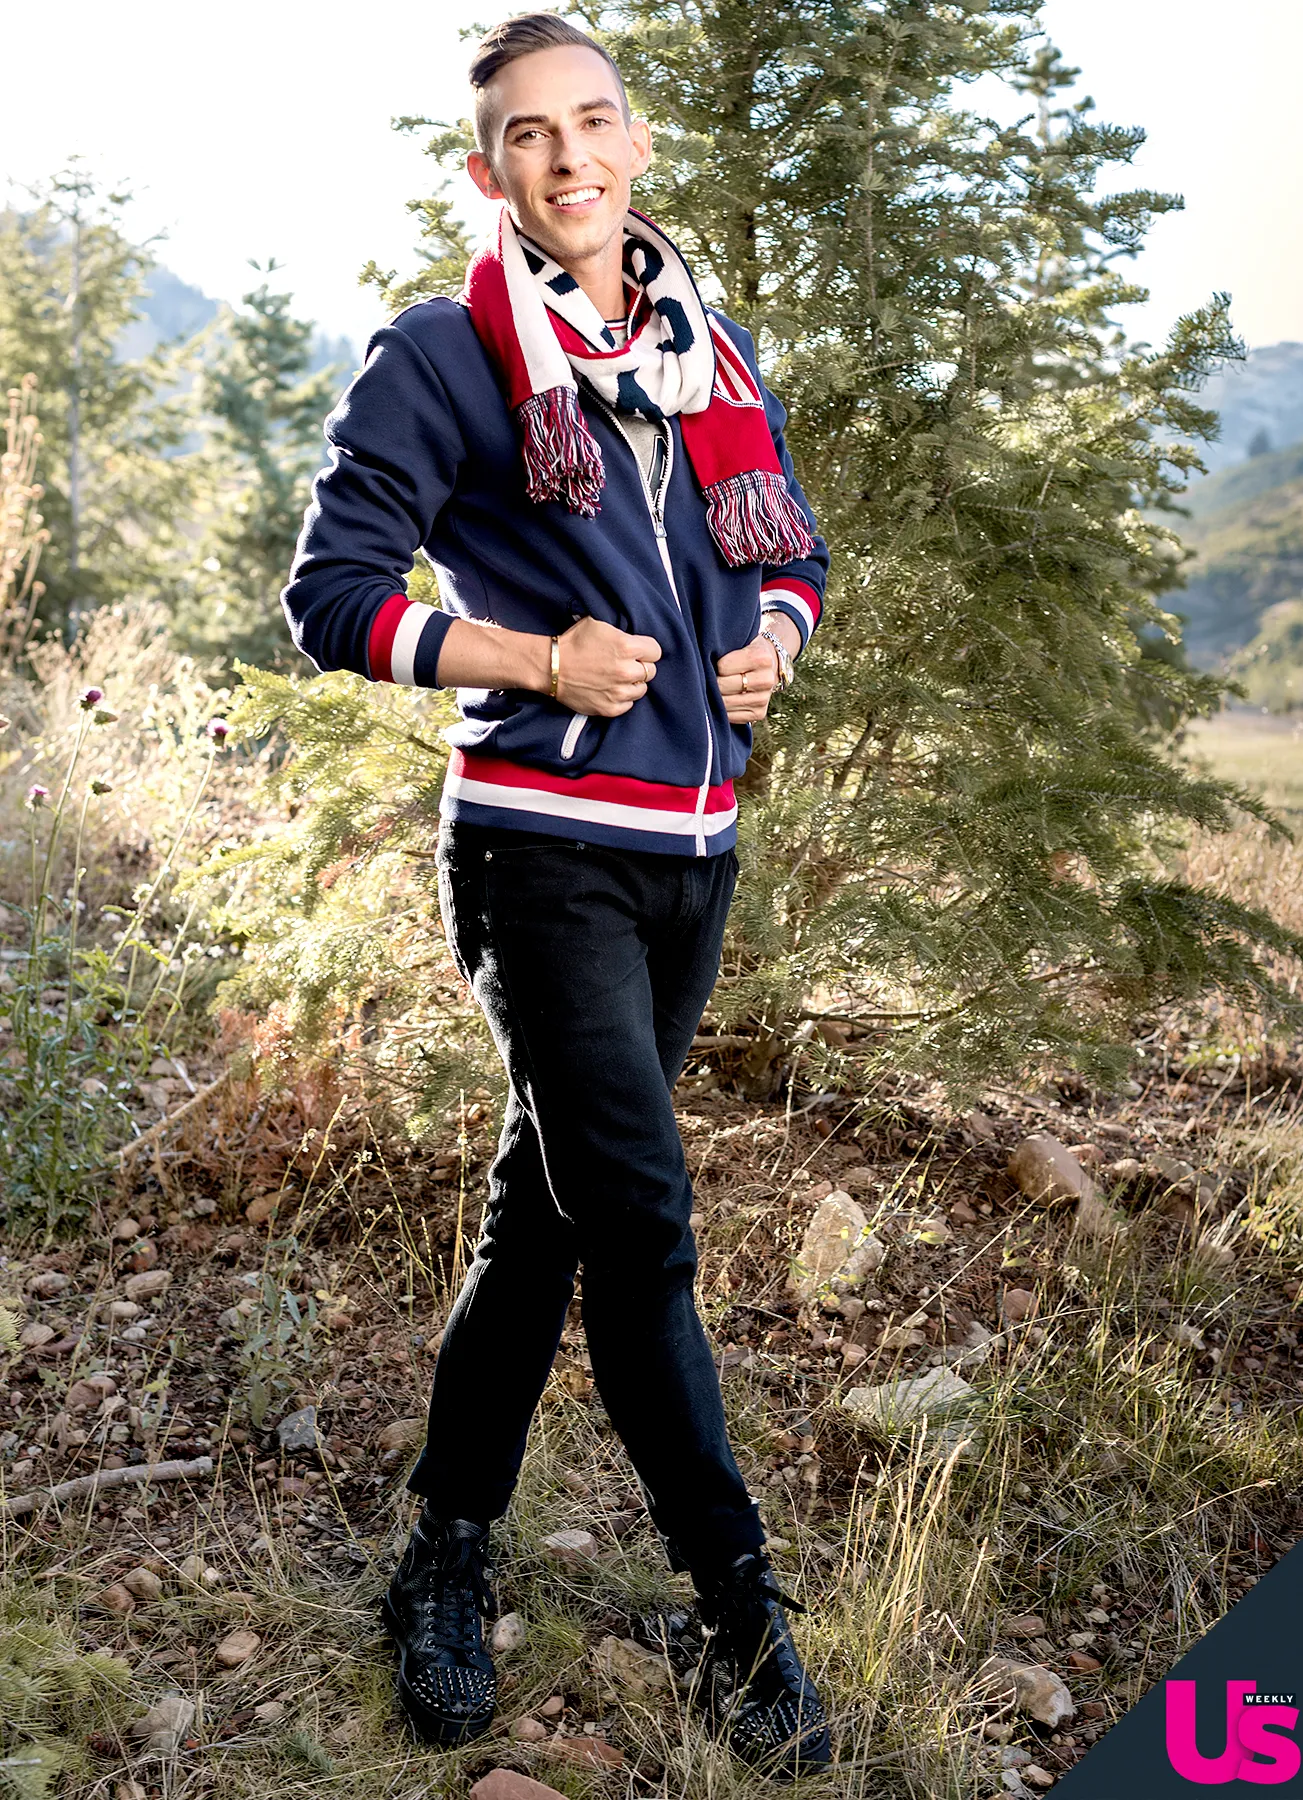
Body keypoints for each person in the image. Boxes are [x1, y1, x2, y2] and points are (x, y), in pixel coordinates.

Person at [281, 11, 830, 1778]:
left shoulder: (706, 350)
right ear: (489, 170)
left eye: (592, 122)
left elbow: (790, 552)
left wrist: (770, 641)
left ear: (635, 143)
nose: (568, 156)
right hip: (538, 848)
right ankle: (741, 1618)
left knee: (549, 1213)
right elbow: (330, 595)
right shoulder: (443, 353)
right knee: (643, 1225)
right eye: (529, 134)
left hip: (693, 853)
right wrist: (530, 654)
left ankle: (445, 1548)